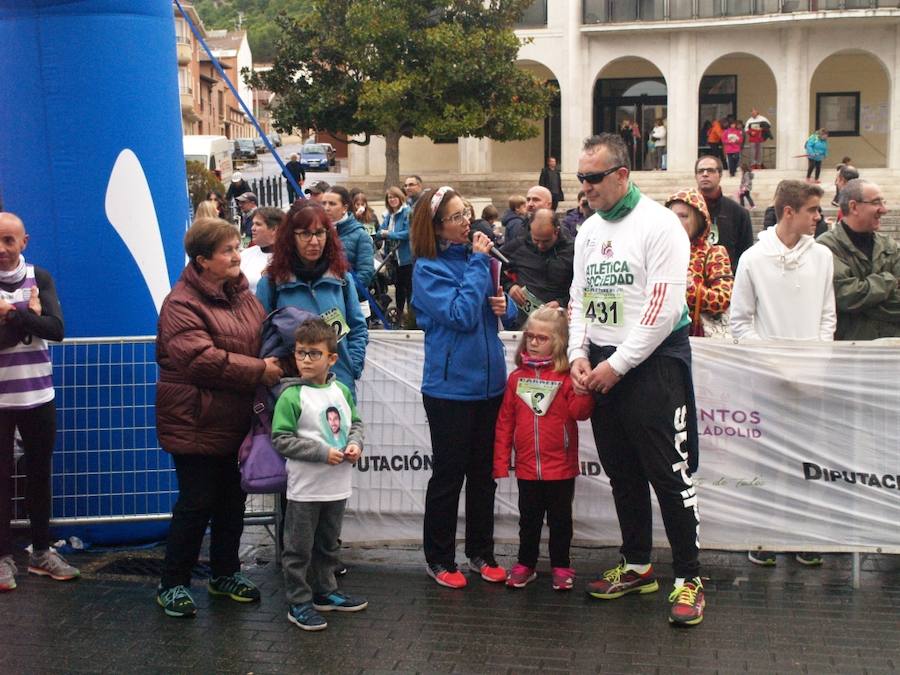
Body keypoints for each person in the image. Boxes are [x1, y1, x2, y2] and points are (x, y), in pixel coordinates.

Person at [569, 134, 705, 626]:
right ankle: (638, 565)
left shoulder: (660, 223)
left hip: (653, 363)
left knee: (670, 475)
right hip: (605, 363)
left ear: (622, 174)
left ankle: (688, 577)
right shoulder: (587, 230)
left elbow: (662, 306)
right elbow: (579, 297)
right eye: (580, 178)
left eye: (593, 178)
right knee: (622, 474)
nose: (585, 187)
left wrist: (618, 364)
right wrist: (578, 353)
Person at [155, 217, 284, 618]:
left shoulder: (244, 296)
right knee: (196, 503)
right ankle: (173, 583)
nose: (235, 255)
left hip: (236, 418)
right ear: (201, 259)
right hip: (195, 419)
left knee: (233, 500)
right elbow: (199, 360)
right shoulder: (180, 304)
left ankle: (224, 572)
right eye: (227, 250)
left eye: (235, 247)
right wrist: (259, 370)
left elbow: (262, 335)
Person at [410, 185, 518, 589]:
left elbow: (487, 312)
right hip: (450, 390)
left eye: (466, 212)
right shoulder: (427, 269)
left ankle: (481, 552)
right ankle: (438, 558)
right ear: (436, 227)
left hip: (489, 386)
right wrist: (476, 263)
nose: (466, 221)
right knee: (449, 475)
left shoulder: (482, 262)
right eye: (456, 216)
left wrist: (505, 306)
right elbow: (457, 314)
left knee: (483, 476)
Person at [272, 318, 367, 631]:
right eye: (301, 353)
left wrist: (354, 444)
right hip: (305, 489)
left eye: (314, 354)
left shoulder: (340, 390)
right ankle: (299, 601)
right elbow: (281, 439)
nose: (305, 360)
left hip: (336, 487)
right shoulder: (291, 396)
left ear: (332, 359)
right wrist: (321, 453)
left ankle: (325, 592)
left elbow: (355, 424)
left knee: (327, 545)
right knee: (298, 548)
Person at [0, 212, 77, 592]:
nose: (2, 249)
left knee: (39, 476)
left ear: (24, 242)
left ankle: (42, 551)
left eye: (9, 241)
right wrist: (29, 317)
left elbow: (57, 329)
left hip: (38, 395)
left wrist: (11, 314)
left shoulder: (39, 277)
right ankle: (2, 557)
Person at [493, 306, 593, 591]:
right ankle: (526, 564)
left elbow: (580, 413)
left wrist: (584, 391)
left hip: (561, 468)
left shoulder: (564, 379)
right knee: (529, 521)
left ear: (559, 342)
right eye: (530, 337)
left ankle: (561, 565)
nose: (534, 343)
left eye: (542, 338)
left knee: (561, 522)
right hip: (527, 468)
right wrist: (500, 462)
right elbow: (505, 423)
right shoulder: (515, 379)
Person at [256, 204, 368, 399]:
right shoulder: (272, 282)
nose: (314, 241)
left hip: (339, 388)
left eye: (320, 233)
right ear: (291, 237)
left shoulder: (341, 279)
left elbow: (357, 328)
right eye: (305, 234)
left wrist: (352, 367)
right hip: (290, 394)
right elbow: (259, 335)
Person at [730, 180, 835, 342]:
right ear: (789, 212)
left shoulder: (823, 256)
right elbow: (740, 321)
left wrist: (820, 354)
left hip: (813, 362)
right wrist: (766, 358)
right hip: (766, 365)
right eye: (812, 210)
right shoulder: (752, 259)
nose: (818, 217)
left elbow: (828, 315)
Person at [817, 179, 899, 340]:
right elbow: (845, 297)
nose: (884, 209)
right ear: (853, 207)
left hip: (892, 350)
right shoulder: (825, 247)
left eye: (883, 202)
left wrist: (864, 300)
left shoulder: (888, 244)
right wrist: (890, 281)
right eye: (876, 202)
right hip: (850, 351)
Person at [665, 189, 733, 337]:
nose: (676, 221)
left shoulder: (714, 253)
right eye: (672, 216)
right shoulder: (659, 252)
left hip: (698, 340)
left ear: (698, 220)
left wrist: (687, 288)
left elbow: (723, 299)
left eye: (683, 216)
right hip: (661, 338)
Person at [501, 208, 575, 328]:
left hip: (559, 323)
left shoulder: (573, 250)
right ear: (530, 230)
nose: (540, 245)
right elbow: (493, 264)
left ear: (556, 231)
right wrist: (509, 286)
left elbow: (582, 286)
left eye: (546, 241)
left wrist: (562, 302)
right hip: (524, 322)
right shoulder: (520, 245)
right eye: (536, 240)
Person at [695, 155, 754, 270]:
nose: (705, 174)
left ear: (720, 175)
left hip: (727, 280)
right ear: (696, 176)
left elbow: (746, 253)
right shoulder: (685, 212)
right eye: (701, 171)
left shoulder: (739, 213)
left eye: (711, 170)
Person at [321, 186, 375, 308]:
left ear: (345, 208)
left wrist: (337, 290)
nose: (326, 208)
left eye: (332, 204)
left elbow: (365, 274)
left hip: (352, 303)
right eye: (323, 203)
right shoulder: (317, 232)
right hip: (323, 303)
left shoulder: (361, 236)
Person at [378, 186, 413, 321]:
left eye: (394, 197)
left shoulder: (407, 212)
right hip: (393, 257)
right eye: (390, 198)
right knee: (398, 287)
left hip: (406, 257)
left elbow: (408, 233)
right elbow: (381, 230)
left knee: (408, 287)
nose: (392, 200)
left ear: (400, 197)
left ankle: (411, 317)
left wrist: (390, 234)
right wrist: (382, 234)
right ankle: (399, 314)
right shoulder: (389, 215)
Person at [240, 206, 282, 294]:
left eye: (258, 224)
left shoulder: (290, 256)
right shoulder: (244, 255)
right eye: (253, 224)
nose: (252, 228)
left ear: (274, 229)